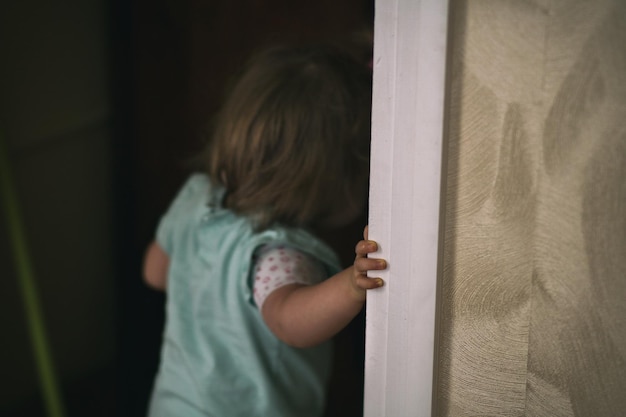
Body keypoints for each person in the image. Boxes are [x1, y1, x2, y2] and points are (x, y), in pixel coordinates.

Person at [142, 42, 386, 417]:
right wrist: (352, 284)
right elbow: (290, 322)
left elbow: (155, 273)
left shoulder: (194, 197)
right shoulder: (277, 254)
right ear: (338, 176)